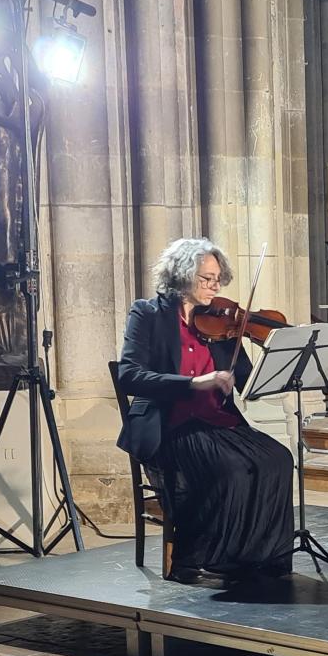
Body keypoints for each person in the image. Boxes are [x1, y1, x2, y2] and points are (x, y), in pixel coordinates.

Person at [116, 237, 294, 583]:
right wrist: (193, 383)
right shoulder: (148, 314)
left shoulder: (221, 322)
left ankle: (259, 556)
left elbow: (245, 380)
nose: (215, 286)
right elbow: (129, 375)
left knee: (279, 459)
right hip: (170, 423)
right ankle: (199, 556)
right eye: (207, 279)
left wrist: (279, 353)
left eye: (218, 279)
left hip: (218, 421)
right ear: (182, 275)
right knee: (230, 470)